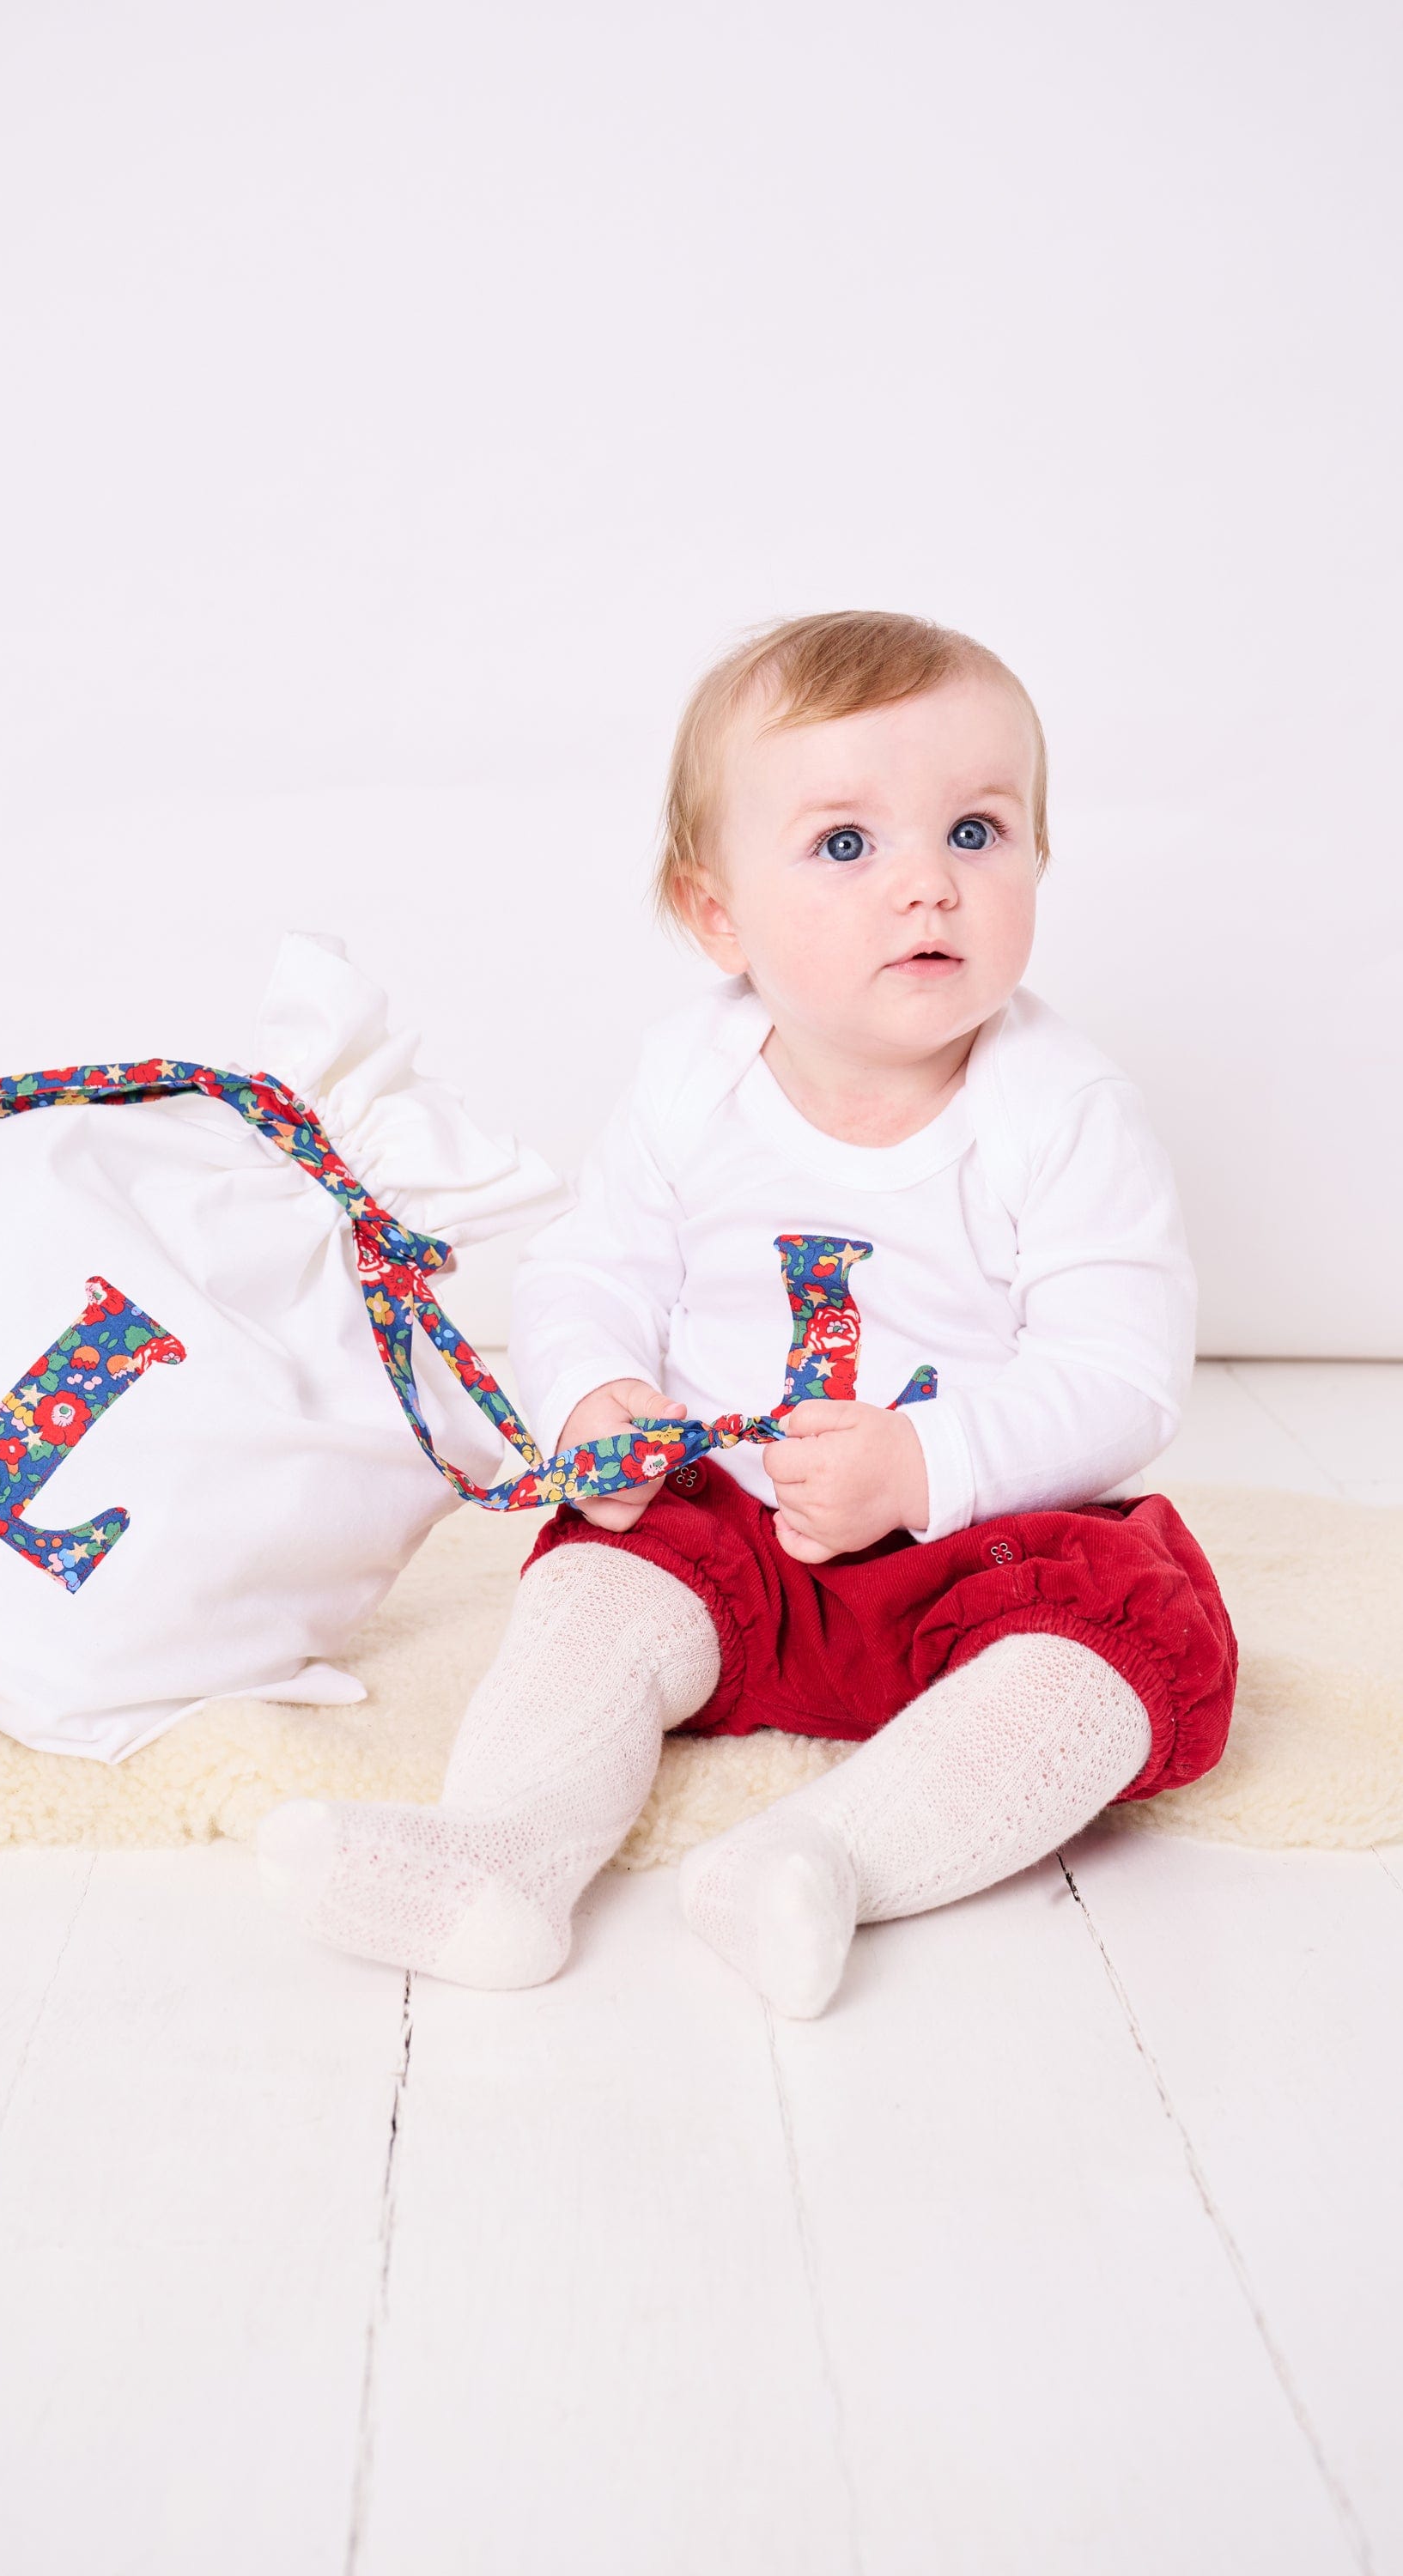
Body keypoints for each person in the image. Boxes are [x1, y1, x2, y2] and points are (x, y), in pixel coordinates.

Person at [254, 611, 1236, 2016]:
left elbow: (1123, 1375)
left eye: (978, 832)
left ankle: (820, 1860)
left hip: (974, 1552)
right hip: (737, 1534)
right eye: (848, 845)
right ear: (718, 914)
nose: (930, 888)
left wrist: (925, 1468)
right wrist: (597, 1396)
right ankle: (502, 1856)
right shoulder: (693, 1077)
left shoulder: (1061, 1109)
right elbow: (593, 1271)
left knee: (1126, 1647)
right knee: (596, 1580)